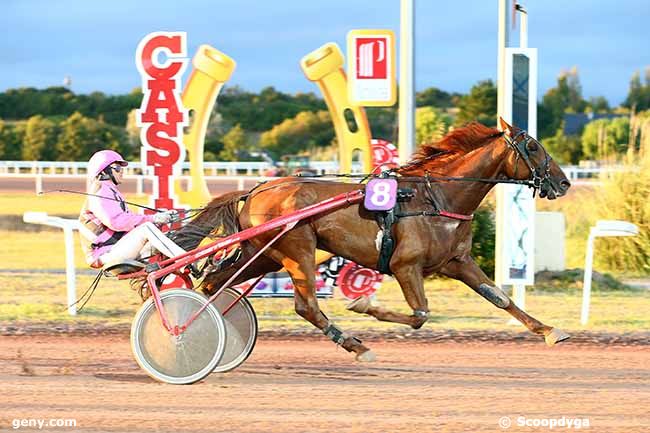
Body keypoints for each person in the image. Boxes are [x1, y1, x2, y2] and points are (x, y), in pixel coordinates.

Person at [78, 150, 186, 269]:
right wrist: (154, 218)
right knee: (146, 229)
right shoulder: (100, 191)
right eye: (118, 168)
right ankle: (186, 261)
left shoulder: (109, 190)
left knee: (169, 236)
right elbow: (117, 222)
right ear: (104, 171)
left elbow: (127, 224)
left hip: (117, 248)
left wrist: (159, 220)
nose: (122, 172)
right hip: (105, 255)